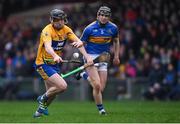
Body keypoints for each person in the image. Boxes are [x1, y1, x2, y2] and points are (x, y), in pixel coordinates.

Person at [33, 9, 93, 118]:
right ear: (51, 20)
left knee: (52, 94)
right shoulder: (47, 30)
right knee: (62, 86)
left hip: (54, 65)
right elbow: (47, 46)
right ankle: (41, 98)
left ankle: (38, 114)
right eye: (56, 20)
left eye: (61, 20)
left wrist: (87, 57)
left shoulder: (66, 30)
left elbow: (79, 43)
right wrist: (55, 55)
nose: (59, 22)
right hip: (43, 63)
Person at [76, 6, 120, 115]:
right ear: (98, 15)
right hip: (90, 57)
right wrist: (87, 57)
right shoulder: (89, 28)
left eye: (106, 16)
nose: (104, 17)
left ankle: (83, 75)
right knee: (97, 85)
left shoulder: (113, 28)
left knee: (101, 88)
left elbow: (116, 41)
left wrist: (116, 56)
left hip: (103, 58)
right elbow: (80, 45)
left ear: (109, 17)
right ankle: (101, 110)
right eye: (102, 15)